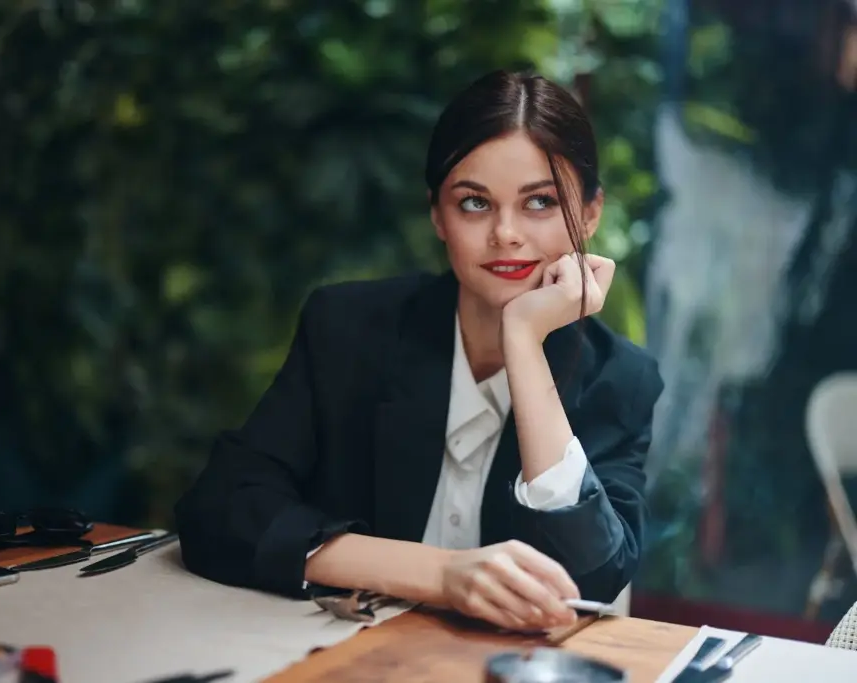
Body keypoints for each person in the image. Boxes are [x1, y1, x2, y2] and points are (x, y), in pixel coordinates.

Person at [175, 70, 664, 632]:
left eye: (541, 203)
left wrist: (525, 343)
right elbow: (219, 510)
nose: (506, 233)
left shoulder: (620, 378)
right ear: (437, 214)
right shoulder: (350, 329)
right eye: (475, 203)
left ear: (592, 213)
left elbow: (591, 577)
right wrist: (439, 574)